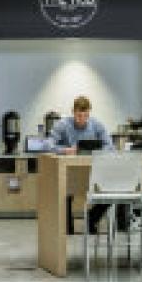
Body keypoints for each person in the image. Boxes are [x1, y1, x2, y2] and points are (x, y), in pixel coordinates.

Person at [52, 97, 114, 235]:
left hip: (93, 169)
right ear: (73, 112)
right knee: (65, 192)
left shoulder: (96, 124)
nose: (82, 119)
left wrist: (97, 151)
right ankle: (67, 228)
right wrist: (65, 150)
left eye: (85, 115)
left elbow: (110, 146)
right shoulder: (62, 125)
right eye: (79, 115)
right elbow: (48, 145)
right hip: (69, 171)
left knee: (112, 190)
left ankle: (91, 220)